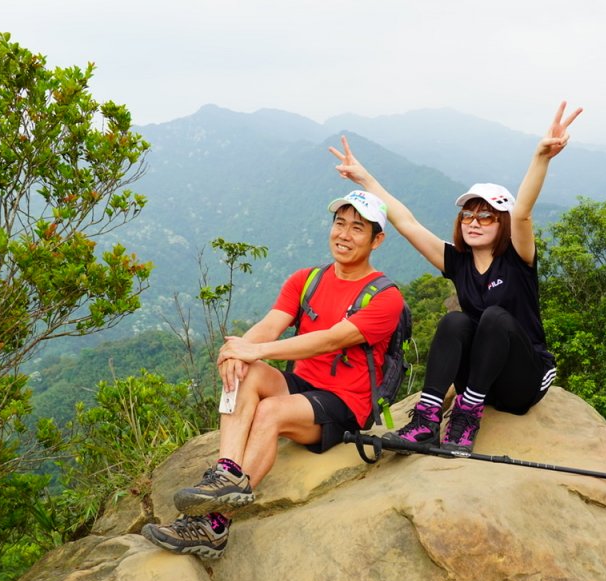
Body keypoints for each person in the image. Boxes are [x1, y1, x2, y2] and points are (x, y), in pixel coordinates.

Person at [142, 190, 404, 558]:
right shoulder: (308, 279)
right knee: (244, 374)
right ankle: (229, 473)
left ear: (377, 239)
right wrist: (238, 352)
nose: (344, 234)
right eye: (339, 223)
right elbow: (270, 325)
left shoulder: (384, 297)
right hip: (301, 386)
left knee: (270, 411)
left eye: (357, 228)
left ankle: (215, 525)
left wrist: (254, 350)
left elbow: (328, 341)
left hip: (344, 404)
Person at [330, 101, 581, 454]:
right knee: (455, 322)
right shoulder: (457, 261)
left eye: (487, 216)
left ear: (502, 223)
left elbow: (522, 213)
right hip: (479, 378)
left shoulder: (518, 260)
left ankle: (467, 416)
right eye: (468, 215)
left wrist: (541, 156)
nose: (474, 222)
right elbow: (407, 223)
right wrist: (365, 179)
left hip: (521, 381)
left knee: (494, 318)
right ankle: (427, 419)